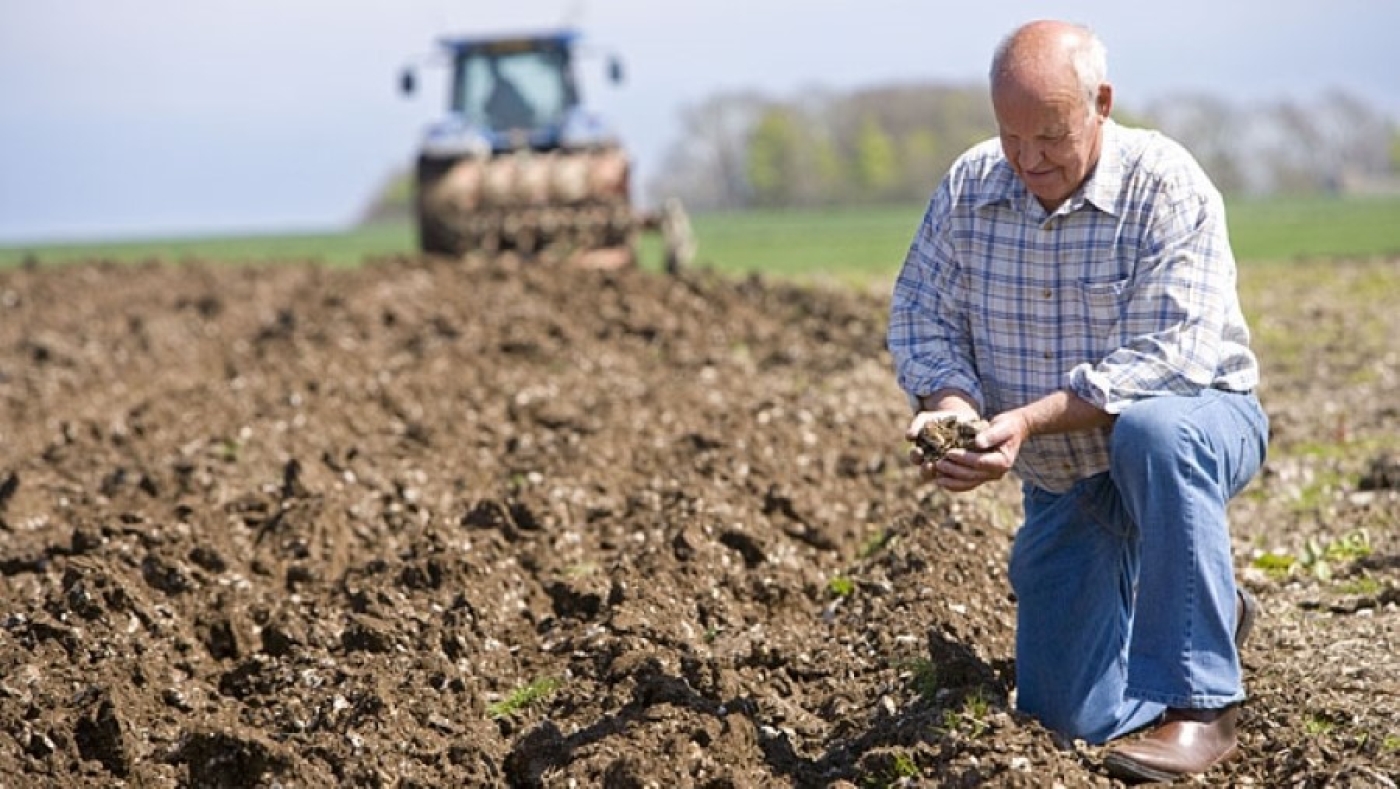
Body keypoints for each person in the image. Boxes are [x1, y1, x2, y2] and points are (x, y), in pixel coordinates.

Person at [886, 19, 1269, 783]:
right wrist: (953, 406)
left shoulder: (1165, 184)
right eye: (1010, 136)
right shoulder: (970, 189)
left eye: (1050, 136)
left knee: (1155, 434)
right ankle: (1206, 609)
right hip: (1069, 477)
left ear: (1101, 102)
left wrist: (1026, 418)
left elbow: (1172, 358)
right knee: (1068, 716)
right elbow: (922, 314)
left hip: (1193, 423)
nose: (1029, 160)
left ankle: (1202, 701)